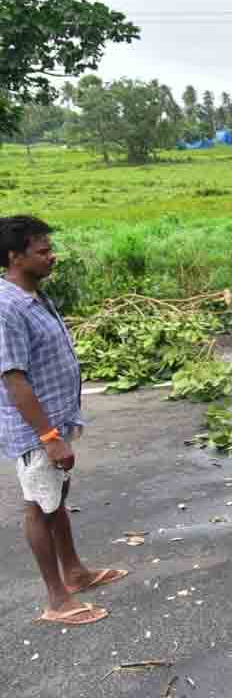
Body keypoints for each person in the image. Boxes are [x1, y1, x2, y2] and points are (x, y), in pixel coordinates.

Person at [1, 215, 128, 626]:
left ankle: (74, 572)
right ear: (14, 257)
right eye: (42, 251)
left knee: (56, 496)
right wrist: (49, 436)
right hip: (36, 429)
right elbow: (14, 378)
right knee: (39, 505)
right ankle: (56, 600)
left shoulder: (33, 296)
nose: (52, 257)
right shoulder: (7, 307)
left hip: (54, 422)